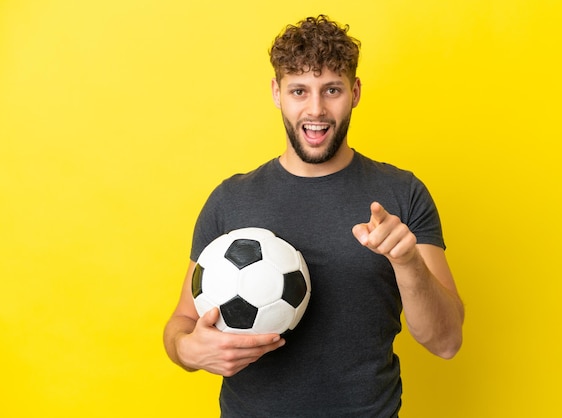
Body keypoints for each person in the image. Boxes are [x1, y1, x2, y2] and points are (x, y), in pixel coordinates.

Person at [163, 15, 464, 417]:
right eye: (299, 91)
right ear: (277, 93)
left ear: (355, 92)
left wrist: (407, 261)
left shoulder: (402, 194)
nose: (316, 110)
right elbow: (180, 323)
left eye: (332, 90)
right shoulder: (230, 200)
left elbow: (446, 342)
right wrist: (188, 349)